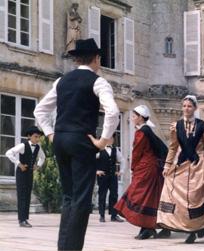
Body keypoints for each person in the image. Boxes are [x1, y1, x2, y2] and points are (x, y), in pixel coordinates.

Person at [34, 38, 120, 251]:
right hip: (82, 141)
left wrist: (51, 134)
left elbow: (39, 111)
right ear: (97, 58)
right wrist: (103, 141)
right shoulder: (98, 81)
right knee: (81, 200)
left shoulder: (60, 81)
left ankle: (64, 247)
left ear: (77, 59)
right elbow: (113, 112)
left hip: (61, 140)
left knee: (69, 197)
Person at [157, 95, 204, 244]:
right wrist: (167, 165)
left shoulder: (203, 125)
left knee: (196, 197)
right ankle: (190, 229)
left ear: (194, 108)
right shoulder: (176, 126)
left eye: (189, 106)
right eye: (184, 106)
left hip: (198, 165)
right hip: (182, 165)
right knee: (180, 198)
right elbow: (173, 147)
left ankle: (199, 226)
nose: (186, 108)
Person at [115, 105, 169, 240]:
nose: (132, 118)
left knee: (139, 196)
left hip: (145, 169)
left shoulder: (142, 132)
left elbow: (137, 152)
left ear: (140, 118)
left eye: (134, 116)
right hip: (152, 168)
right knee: (150, 198)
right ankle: (149, 227)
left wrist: (133, 168)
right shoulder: (148, 131)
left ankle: (148, 228)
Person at [5, 126, 45, 227]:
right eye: (35, 137)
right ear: (29, 136)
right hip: (21, 174)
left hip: (30, 173)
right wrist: (19, 164)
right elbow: (8, 153)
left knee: (27, 195)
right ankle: (21, 220)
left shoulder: (38, 147)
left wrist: (38, 166)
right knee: (22, 196)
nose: (37, 139)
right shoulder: (23, 145)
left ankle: (25, 219)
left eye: (38, 137)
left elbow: (43, 157)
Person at [96, 135, 124, 223]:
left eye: (112, 138)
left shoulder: (115, 150)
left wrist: (121, 171)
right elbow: (90, 160)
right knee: (102, 195)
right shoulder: (99, 150)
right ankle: (101, 215)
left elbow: (122, 160)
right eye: (109, 138)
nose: (111, 140)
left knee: (114, 195)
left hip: (113, 176)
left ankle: (114, 215)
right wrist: (96, 170)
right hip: (102, 176)